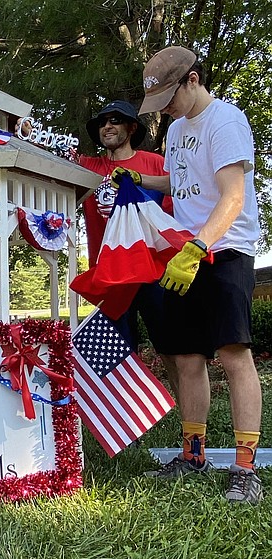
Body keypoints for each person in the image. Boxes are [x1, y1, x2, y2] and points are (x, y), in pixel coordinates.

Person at [125, 46, 263, 503]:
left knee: (233, 352)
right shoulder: (177, 129)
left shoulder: (225, 122)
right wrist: (143, 183)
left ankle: (245, 469)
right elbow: (182, 181)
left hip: (223, 251)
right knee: (187, 357)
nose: (165, 109)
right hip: (186, 252)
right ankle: (194, 453)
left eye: (169, 97)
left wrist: (201, 245)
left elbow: (231, 197)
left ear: (193, 80)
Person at [17, 103, 178, 390]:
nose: (107, 126)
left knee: (172, 350)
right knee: (116, 355)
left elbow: (172, 215)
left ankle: (187, 420)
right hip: (109, 275)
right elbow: (51, 152)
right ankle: (126, 422)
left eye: (116, 121)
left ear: (132, 128)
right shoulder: (89, 167)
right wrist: (25, 130)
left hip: (153, 272)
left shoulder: (154, 164)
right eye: (102, 123)